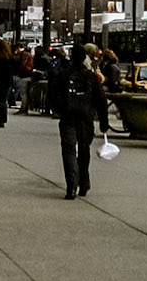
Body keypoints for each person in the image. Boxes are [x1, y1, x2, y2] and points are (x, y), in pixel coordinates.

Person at [47, 41, 111, 198]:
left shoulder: (64, 75)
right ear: (84, 57)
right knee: (84, 150)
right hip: (85, 117)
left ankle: (71, 184)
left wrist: (59, 110)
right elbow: (101, 100)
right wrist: (104, 122)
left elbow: (53, 95)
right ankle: (84, 182)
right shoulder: (90, 76)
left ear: (71, 57)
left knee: (68, 150)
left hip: (68, 117)